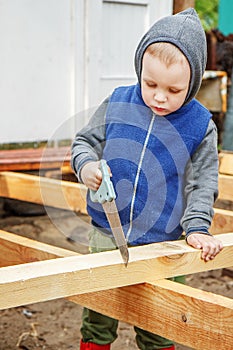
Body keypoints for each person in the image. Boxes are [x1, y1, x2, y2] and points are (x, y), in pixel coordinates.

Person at [71, 8, 223, 350]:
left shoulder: (199, 125)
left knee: (161, 323)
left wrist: (197, 227)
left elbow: (202, 181)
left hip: (163, 241)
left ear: (194, 82)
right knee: (98, 317)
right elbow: (84, 142)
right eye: (150, 83)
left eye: (173, 90)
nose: (158, 96)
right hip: (107, 234)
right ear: (140, 69)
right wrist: (88, 167)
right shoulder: (119, 102)